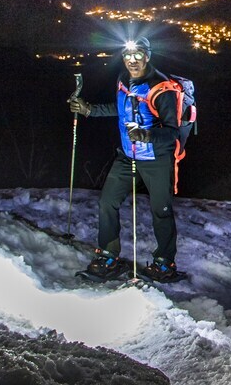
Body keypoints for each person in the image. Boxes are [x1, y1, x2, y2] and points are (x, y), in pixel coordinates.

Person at [68, 36, 183, 282]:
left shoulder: (161, 88)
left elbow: (172, 130)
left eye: (138, 55)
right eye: (128, 55)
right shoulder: (123, 80)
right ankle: (109, 254)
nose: (132, 60)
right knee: (107, 201)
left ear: (148, 56)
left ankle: (165, 262)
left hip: (156, 159)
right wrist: (89, 110)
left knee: (160, 210)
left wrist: (147, 135)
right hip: (127, 155)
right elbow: (120, 110)